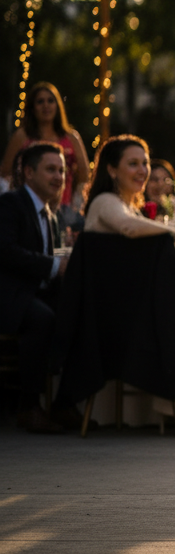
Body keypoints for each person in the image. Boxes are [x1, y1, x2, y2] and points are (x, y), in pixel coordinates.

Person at [83, 135, 175, 436]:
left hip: (136, 303)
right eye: (132, 163)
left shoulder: (128, 205)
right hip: (113, 313)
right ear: (111, 170)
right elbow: (127, 227)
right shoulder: (105, 202)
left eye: (144, 163)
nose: (142, 170)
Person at [1, 143, 70, 433]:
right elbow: (6, 251)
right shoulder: (10, 204)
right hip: (10, 294)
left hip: (38, 292)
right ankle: (28, 407)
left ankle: (65, 404)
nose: (58, 177)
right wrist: (55, 266)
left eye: (62, 170)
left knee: (77, 311)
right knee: (43, 319)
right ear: (29, 172)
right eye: (51, 169)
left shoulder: (51, 213)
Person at [0, 82, 90, 217]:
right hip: (27, 207)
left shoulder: (71, 138)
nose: (46, 106)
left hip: (63, 207)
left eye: (50, 101)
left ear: (58, 106)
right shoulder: (22, 136)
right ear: (32, 108)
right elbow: (5, 171)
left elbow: (84, 173)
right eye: (40, 101)